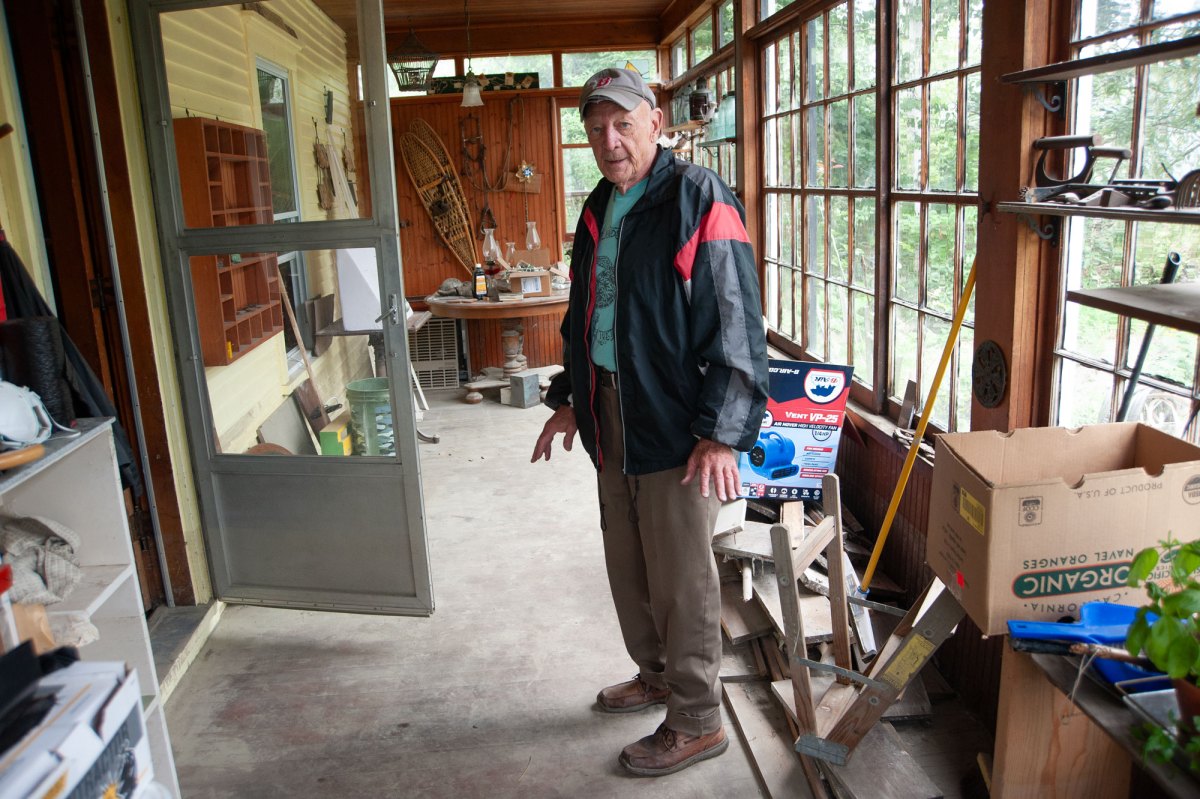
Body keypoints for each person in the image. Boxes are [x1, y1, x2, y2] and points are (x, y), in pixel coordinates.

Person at [530, 67, 769, 777]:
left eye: (623, 124)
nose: (610, 140)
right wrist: (572, 395)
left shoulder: (698, 196)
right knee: (628, 562)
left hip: (677, 419)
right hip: (612, 412)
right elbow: (590, 314)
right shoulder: (600, 206)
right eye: (596, 128)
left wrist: (723, 428)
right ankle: (658, 673)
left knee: (681, 576)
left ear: (655, 122)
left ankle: (698, 719)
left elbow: (737, 316)